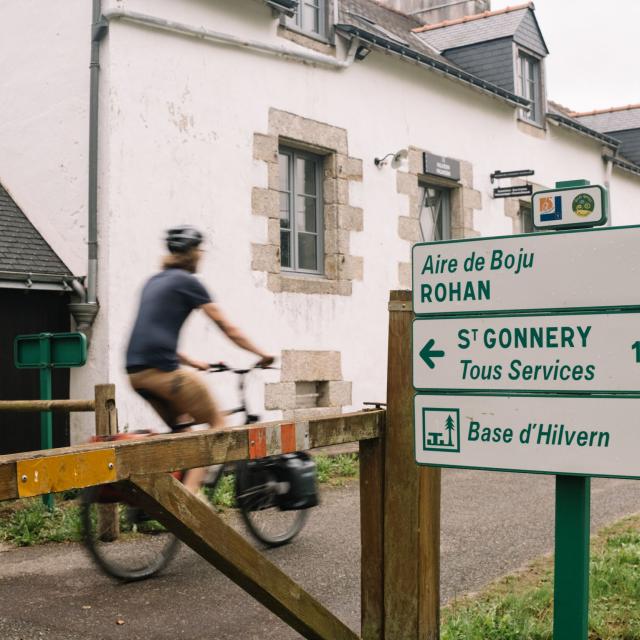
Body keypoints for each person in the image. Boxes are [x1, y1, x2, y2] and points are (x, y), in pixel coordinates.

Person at [125, 225, 274, 493]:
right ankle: (190, 503)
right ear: (192, 253)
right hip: (163, 374)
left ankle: (161, 494)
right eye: (200, 251)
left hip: (136, 374)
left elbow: (151, 333)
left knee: (183, 431)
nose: (202, 255)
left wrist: (193, 362)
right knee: (219, 425)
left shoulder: (154, 281)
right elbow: (227, 326)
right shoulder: (187, 282)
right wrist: (262, 354)